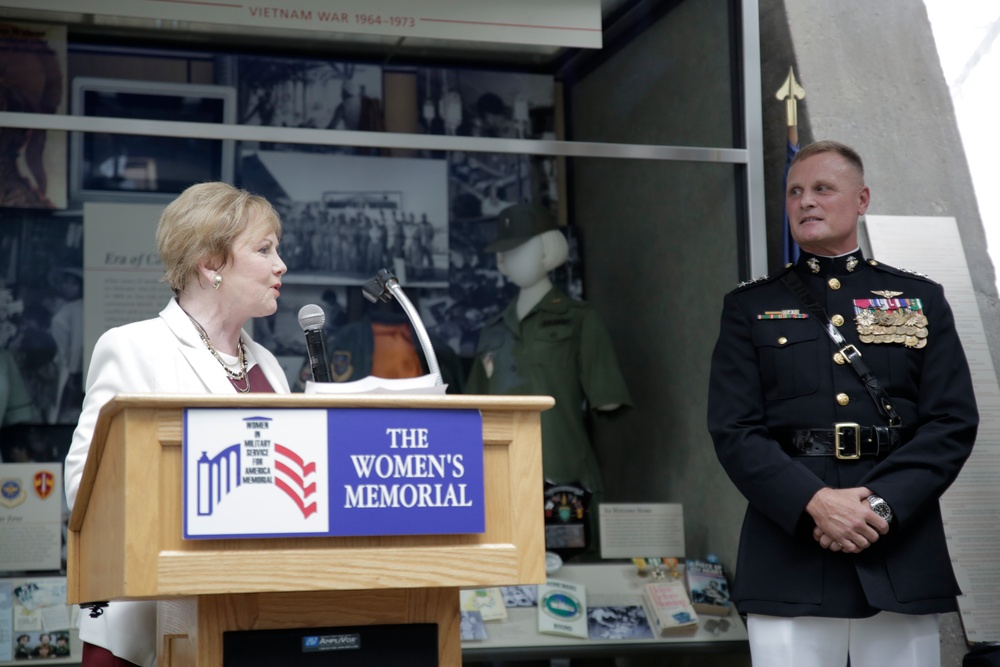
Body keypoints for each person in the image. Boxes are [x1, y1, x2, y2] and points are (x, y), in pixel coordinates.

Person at [707, 140, 978, 667]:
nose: (805, 201)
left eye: (822, 189)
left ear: (861, 199)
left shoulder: (918, 299)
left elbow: (951, 421)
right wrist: (816, 502)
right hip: (791, 547)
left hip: (897, 543)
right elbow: (734, 429)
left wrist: (879, 505)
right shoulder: (751, 306)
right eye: (795, 192)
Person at [64, 182, 290, 667]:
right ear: (210, 264)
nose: (280, 265)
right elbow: (84, 488)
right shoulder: (133, 348)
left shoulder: (269, 364)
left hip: (251, 616)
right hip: (148, 627)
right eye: (264, 249)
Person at [466, 203, 631, 553]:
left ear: (547, 250)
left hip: (564, 472)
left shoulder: (580, 320)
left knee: (571, 574)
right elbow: (473, 412)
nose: (508, 260)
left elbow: (608, 397)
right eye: (504, 253)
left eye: (518, 249)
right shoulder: (492, 332)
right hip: (502, 477)